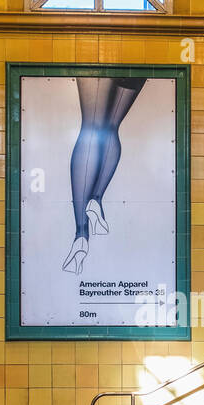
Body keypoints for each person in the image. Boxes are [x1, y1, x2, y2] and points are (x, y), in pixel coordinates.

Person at [62, 76, 147, 274]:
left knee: (92, 127)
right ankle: (96, 199)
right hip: (132, 58)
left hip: (100, 54)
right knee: (110, 127)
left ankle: (81, 234)